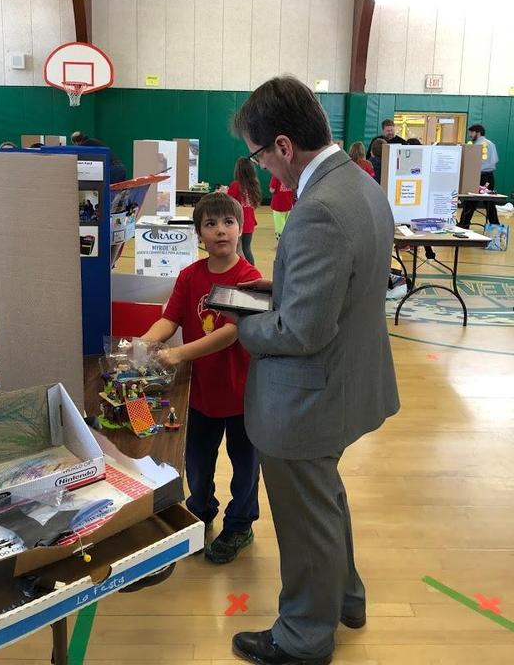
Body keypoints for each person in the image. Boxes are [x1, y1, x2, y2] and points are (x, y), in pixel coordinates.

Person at [229, 76, 400, 665]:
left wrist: (240, 327)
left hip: (308, 398)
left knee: (303, 522)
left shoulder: (317, 208)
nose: (261, 168)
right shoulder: (360, 185)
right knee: (323, 498)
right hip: (349, 380)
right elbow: (338, 285)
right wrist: (267, 288)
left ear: (281, 145)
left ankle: (303, 636)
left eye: (258, 154)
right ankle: (346, 597)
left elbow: (301, 331)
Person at [141, 192, 261, 565]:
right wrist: (143, 343)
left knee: (245, 467)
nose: (220, 230)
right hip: (199, 395)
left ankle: (240, 524)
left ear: (241, 229)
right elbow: (170, 318)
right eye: (210, 224)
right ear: (198, 234)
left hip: (243, 396)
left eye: (228, 222)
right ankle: (200, 511)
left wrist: (177, 353)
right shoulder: (189, 276)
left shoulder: (250, 278)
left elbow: (231, 332)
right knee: (196, 463)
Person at [459, 124, 500, 228]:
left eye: (471, 132)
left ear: (477, 132)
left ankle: (464, 224)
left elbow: (472, 162)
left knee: (471, 201)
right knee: (489, 203)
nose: (470, 135)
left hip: (478, 175)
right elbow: (495, 160)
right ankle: (495, 226)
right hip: (489, 176)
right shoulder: (491, 144)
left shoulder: (476, 145)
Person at [227, 157, 261, 266]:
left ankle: (241, 271)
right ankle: (251, 271)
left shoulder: (235, 185)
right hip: (249, 223)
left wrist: (223, 193)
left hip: (238, 223)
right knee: (247, 249)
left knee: (236, 250)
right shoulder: (253, 186)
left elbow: (228, 202)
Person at [269, 175, 294, 241]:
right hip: (289, 203)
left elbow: (272, 190)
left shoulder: (276, 175)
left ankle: (282, 243)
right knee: (287, 224)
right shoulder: (290, 174)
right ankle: (289, 240)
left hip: (278, 205)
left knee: (280, 226)